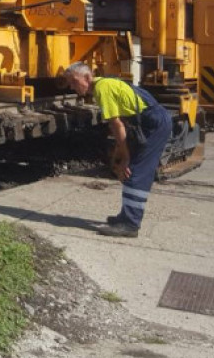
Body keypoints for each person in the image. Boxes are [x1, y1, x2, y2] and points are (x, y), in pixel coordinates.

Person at [63, 62, 173, 238]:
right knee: (130, 170)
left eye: (74, 82)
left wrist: (125, 155)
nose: (72, 86)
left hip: (153, 123)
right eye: (70, 83)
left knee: (135, 172)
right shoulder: (106, 83)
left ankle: (130, 225)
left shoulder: (102, 89)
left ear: (87, 77)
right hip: (148, 121)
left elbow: (117, 125)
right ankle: (125, 216)